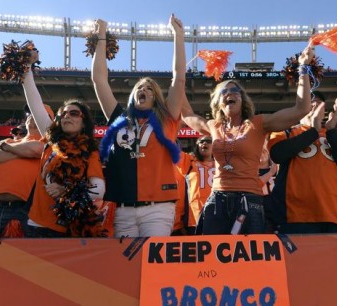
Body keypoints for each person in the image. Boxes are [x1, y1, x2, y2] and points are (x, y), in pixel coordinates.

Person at [181, 46, 313, 235]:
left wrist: (303, 68)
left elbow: (302, 109)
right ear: (218, 102)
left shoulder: (259, 123)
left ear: (243, 99)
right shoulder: (213, 126)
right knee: (213, 259)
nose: (230, 93)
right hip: (217, 200)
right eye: (224, 92)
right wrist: (178, 80)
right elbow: (186, 114)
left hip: (249, 201)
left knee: (247, 262)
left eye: (235, 91)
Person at [91, 14, 186, 237]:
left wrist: (178, 35)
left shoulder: (167, 117)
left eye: (149, 88)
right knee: (127, 270)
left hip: (158, 208)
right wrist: (101, 35)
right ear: (133, 96)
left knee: (153, 269)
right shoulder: (119, 118)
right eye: (139, 88)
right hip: (123, 210)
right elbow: (99, 80)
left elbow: (179, 78)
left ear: (156, 97)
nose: (143, 90)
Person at [19, 50, 105, 237]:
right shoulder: (51, 139)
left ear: (84, 123)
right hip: (36, 224)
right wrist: (27, 67)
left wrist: (66, 191)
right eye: (63, 114)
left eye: (74, 113)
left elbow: (98, 190)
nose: (67, 116)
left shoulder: (90, 152)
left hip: (69, 229)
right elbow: (34, 101)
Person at [268, 92, 337, 234]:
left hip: (336, 217)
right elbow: (277, 154)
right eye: (310, 101)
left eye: (319, 102)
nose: (315, 104)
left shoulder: (333, 136)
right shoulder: (286, 131)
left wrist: (330, 131)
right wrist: (313, 131)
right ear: (300, 107)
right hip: (297, 218)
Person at [0, 107, 48, 238]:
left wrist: (6, 149)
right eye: (31, 113)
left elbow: (37, 149)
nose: (33, 116)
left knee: (19, 257)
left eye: (38, 113)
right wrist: (23, 152)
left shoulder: (49, 144)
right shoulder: (9, 141)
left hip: (26, 210)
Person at [174, 135, 215, 235]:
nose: (204, 143)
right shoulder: (189, 161)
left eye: (208, 141)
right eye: (201, 141)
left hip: (218, 217)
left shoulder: (222, 164)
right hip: (195, 218)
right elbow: (172, 148)